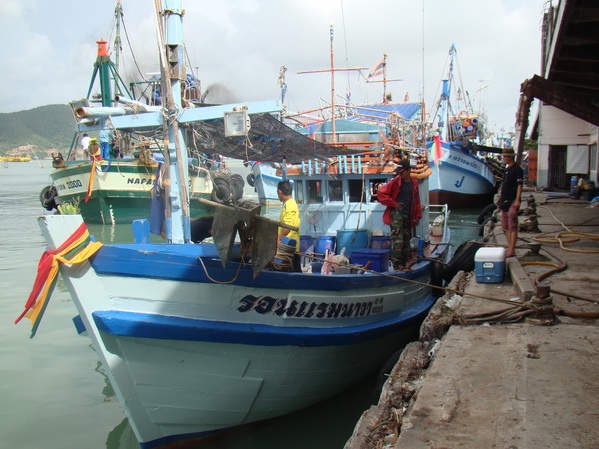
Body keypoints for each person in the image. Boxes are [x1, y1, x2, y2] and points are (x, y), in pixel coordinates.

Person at [377, 159, 422, 270]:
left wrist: (417, 215)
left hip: (408, 215)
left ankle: (405, 262)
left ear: (408, 170)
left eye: (402, 172)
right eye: (399, 172)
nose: (400, 174)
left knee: (407, 239)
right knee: (398, 240)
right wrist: (393, 203)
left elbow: (416, 201)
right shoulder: (395, 182)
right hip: (397, 215)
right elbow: (381, 193)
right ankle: (397, 266)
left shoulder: (414, 183)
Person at [497, 148, 523, 258]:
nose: (503, 158)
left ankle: (512, 249)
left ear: (510, 157)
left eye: (504, 157)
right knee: (506, 226)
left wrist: (517, 199)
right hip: (504, 200)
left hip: (512, 200)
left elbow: (519, 185)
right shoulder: (507, 170)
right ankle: (509, 247)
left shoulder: (517, 169)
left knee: (512, 225)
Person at [277, 180, 301, 272]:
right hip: (289, 245)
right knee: (295, 269)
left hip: (289, 246)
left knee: (294, 270)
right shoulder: (288, 204)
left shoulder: (290, 205)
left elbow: (289, 226)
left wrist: (279, 238)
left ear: (280, 191)